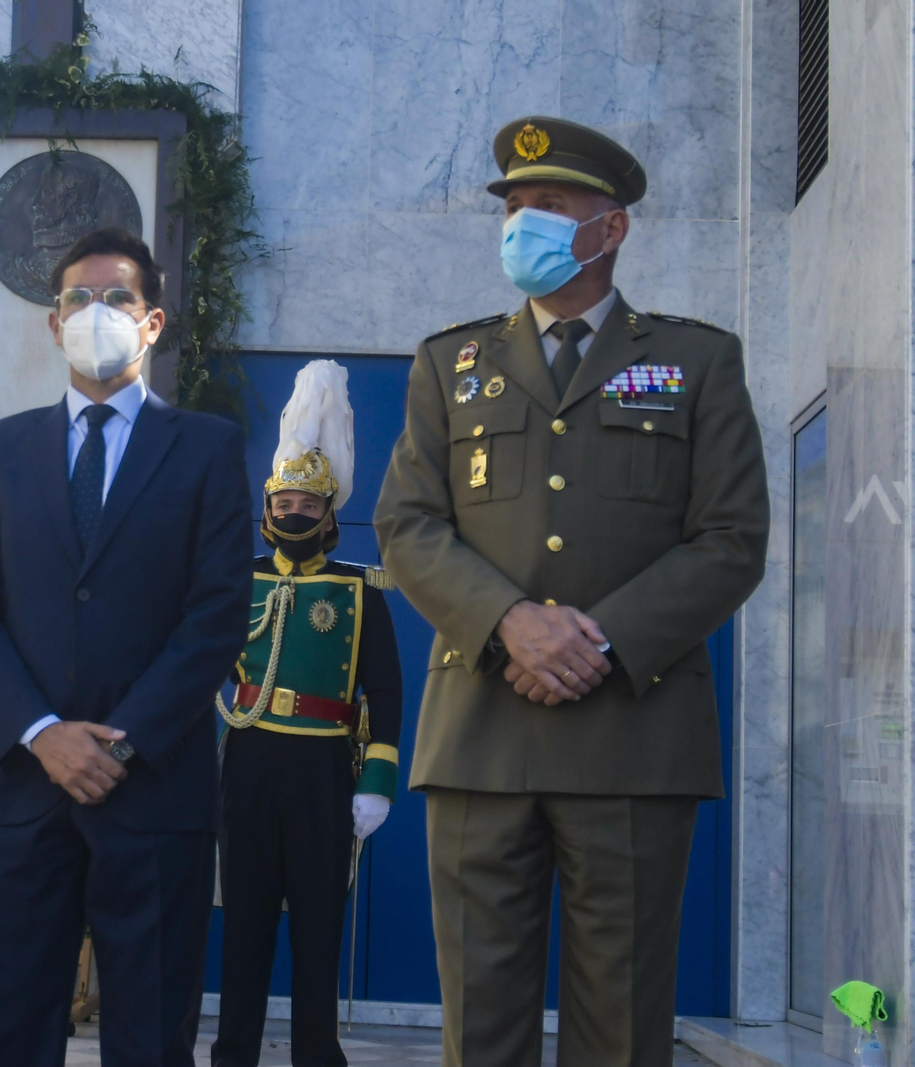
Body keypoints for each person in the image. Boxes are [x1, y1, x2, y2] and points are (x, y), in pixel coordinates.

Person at [374, 116, 769, 1067]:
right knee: (482, 1019)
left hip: (633, 735)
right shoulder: (449, 364)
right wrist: (512, 623)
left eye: (548, 206)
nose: (524, 225)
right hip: (481, 736)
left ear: (611, 227)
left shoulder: (698, 361)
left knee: (624, 1024)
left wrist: (598, 639)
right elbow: (407, 524)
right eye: (513, 208)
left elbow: (732, 539)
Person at [0, 227, 253, 1067]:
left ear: (152, 322)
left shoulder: (207, 448)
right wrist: (45, 732)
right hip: (24, 788)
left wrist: (120, 740)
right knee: (14, 1028)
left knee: (152, 1034)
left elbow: (218, 614)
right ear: (53, 324)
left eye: (118, 297)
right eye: (78, 298)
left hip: (151, 786)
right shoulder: (2, 453)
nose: (96, 312)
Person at [213, 360, 404, 1067]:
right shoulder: (238, 582)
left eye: (309, 504)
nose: (295, 512)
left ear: (330, 512)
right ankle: (233, 1054)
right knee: (246, 927)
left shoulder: (362, 592)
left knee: (319, 931)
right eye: (285, 500)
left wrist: (377, 778)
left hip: (325, 767)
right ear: (269, 503)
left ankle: (317, 1056)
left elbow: (385, 690)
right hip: (251, 759)